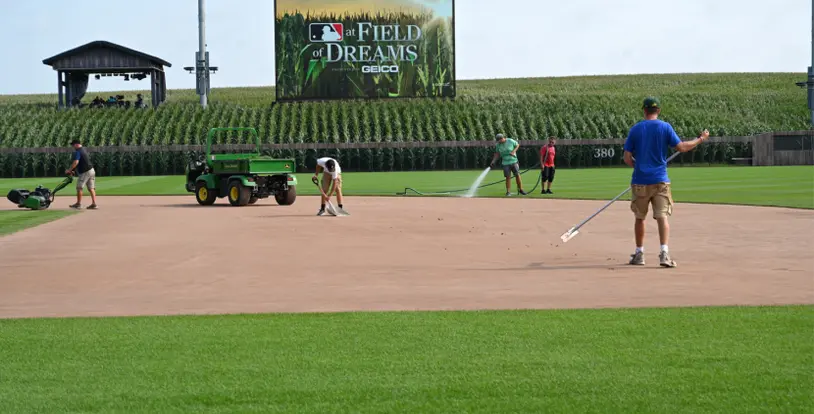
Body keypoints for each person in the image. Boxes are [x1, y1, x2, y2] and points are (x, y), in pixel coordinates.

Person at [623, 97, 708, 267]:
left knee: (640, 218)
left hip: (640, 180)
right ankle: (664, 253)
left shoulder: (636, 129)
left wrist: (638, 166)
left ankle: (639, 253)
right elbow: (682, 147)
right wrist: (701, 139)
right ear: (658, 111)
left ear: (644, 110)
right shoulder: (665, 127)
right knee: (662, 217)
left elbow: (626, 158)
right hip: (660, 179)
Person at [65, 139, 98, 209]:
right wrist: (73, 170)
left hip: (85, 172)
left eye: (73, 145)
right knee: (91, 188)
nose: (73, 147)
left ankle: (78, 204)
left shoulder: (78, 152)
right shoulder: (84, 150)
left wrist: (69, 170)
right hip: (91, 170)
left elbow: (76, 162)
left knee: (79, 187)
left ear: (77, 144)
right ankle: (94, 204)